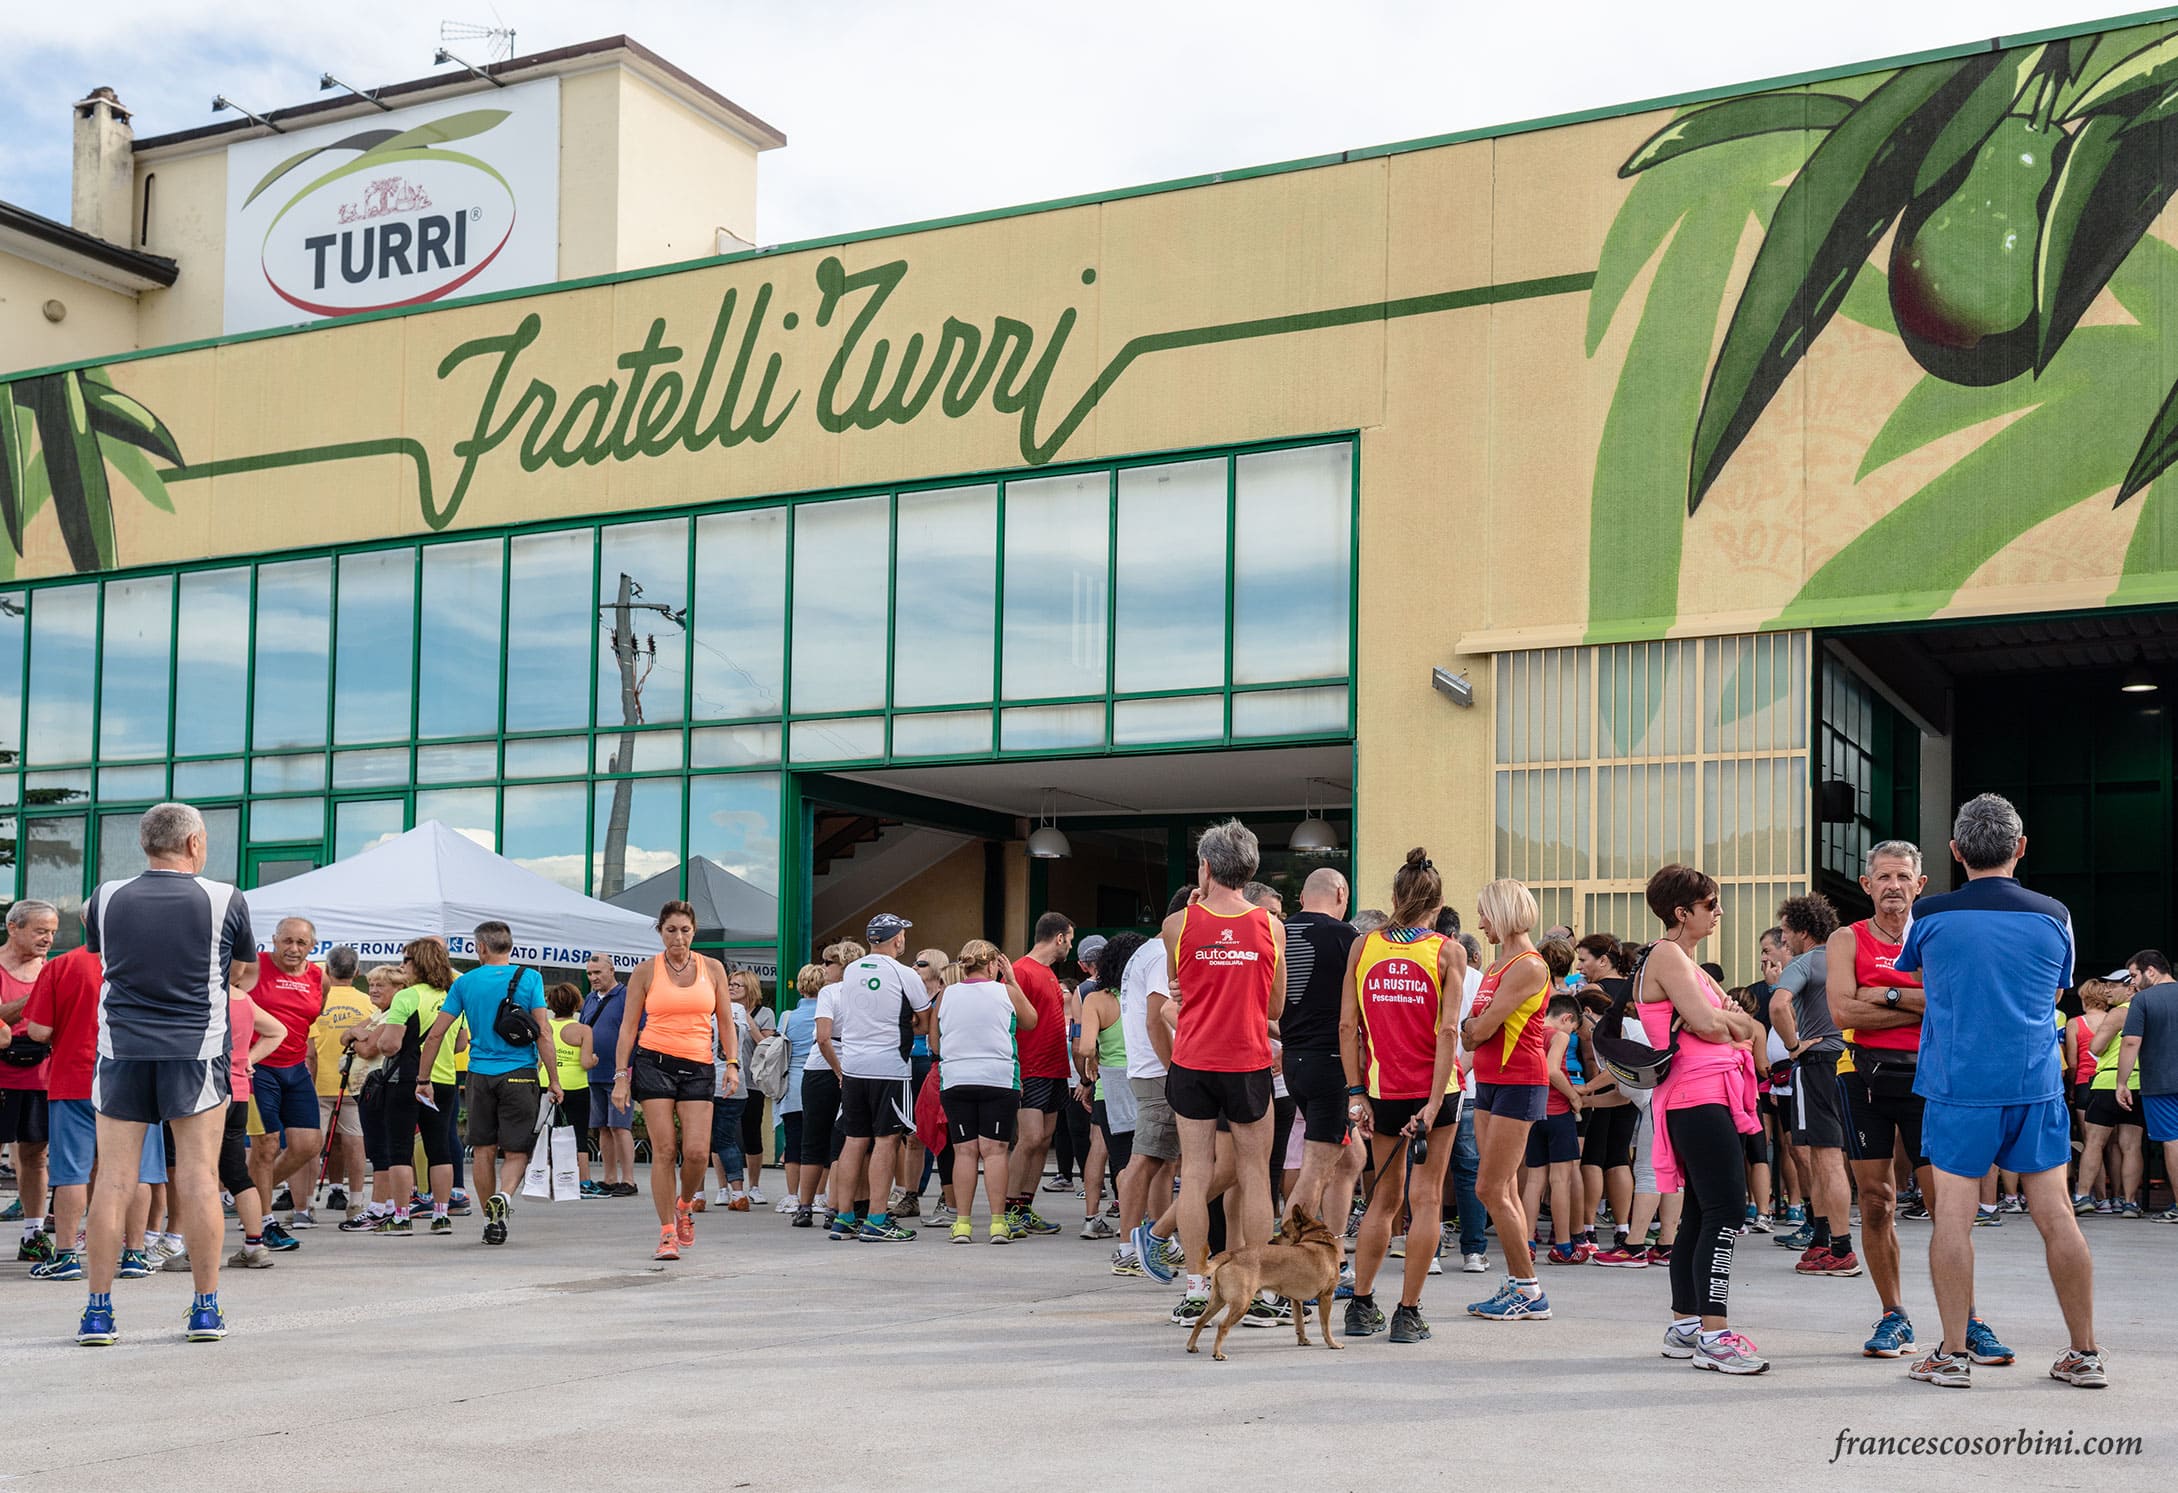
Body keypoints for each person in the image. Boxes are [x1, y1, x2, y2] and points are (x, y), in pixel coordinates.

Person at [1894, 794, 2104, 1391]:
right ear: (2021, 847)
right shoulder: (2053, 913)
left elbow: (1918, 974)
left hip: (1959, 1085)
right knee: (2057, 1215)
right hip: (2034, 1084)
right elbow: (2060, 989)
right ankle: (2084, 1354)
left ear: (1956, 852)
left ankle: (1953, 1355)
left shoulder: (1929, 914)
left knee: (1953, 1221)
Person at [76, 803, 258, 1346]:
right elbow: (242, 972)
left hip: (122, 1050)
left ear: (145, 843)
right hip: (195, 1050)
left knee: (112, 1180)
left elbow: (102, 954)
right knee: (199, 1178)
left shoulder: (103, 897)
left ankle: (98, 1312)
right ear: (196, 843)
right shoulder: (225, 897)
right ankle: (204, 1308)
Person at [1823, 841, 2009, 1363]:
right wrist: (1910, 1001)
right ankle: (1893, 1315)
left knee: (1945, 1205)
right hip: (1861, 1078)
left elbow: (1950, 1002)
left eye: (1903, 876)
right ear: (1867, 885)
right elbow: (1841, 1012)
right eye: (1883, 877)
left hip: (1931, 1080)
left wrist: (1876, 994)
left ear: (1920, 884)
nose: (1893, 886)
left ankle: (1969, 1321)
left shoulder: (1936, 934)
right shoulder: (1846, 938)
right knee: (1877, 1201)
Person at [1635, 865, 1770, 1374]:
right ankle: (1715, 1334)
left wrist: (1732, 1021)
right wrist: (1733, 1021)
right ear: (1682, 912)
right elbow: (1718, 1026)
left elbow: (1736, 1023)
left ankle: (1687, 1323)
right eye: (1711, 905)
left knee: (1701, 1212)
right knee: (1726, 1211)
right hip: (1697, 1097)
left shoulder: (1685, 963)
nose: (1718, 913)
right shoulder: (1669, 955)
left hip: (1700, 1095)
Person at [1160, 820, 1286, 1326]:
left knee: (1194, 1174)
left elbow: (1178, 988)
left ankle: (1195, 1288)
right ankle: (1253, 1289)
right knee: (1256, 1175)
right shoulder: (1270, 925)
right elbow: (1276, 1004)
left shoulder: (1179, 924)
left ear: (1206, 867)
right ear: (1250, 868)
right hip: (1248, 1058)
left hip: (1192, 1059)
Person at [1340, 848, 1464, 1344]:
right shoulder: (1447, 951)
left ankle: (1361, 1304)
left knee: (1382, 1200)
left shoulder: (1364, 946)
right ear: (1437, 905)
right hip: (1436, 1092)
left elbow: (1348, 1025)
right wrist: (1434, 1105)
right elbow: (1449, 1031)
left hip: (1380, 1091)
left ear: (1394, 897)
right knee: (1427, 1199)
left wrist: (1356, 1094)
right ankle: (1407, 1314)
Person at [419, 921, 559, 1249]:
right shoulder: (530, 978)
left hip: (479, 1075)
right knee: (516, 1150)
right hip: (520, 1074)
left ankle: (489, 1218)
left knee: (482, 1149)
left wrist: (423, 1079)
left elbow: (437, 1034)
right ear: (510, 947)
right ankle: (504, 1196)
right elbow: (543, 1032)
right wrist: (553, 1080)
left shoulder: (465, 983)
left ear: (480, 948)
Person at [609, 902, 734, 1260]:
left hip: (699, 1064)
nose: (678, 937)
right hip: (654, 1063)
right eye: (670, 930)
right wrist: (621, 1077)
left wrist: (732, 1062)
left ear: (694, 932)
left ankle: (684, 1206)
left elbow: (724, 1019)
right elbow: (628, 1027)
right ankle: (666, 1233)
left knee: (696, 1152)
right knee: (664, 1150)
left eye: (685, 930)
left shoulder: (713, 969)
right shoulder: (646, 971)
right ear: (661, 932)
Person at [1458, 878, 1553, 1321]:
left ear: (1502, 913)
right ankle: (1521, 1283)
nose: (1480, 922)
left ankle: (1529, 1289)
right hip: (1491, 1082)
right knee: (1505, 1188)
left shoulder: (1530, 966)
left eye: (1484, 913)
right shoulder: (1499, 965)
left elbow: (1480, 1029)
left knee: (1488, 1188)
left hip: (1519, 1081)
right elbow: (1475, 1032)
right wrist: (1472, 1037)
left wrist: (1474, 1029)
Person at [827, 914, 933, 1242]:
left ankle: (844, 1217)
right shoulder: (904, 973)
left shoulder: (851, 970)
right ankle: (876, 1218)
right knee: (886, 1141)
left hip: (854, 1065)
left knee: (854, 1140)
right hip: (889, 1066)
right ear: (897, 940)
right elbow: (925, 1022)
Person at [1768, 894, 1856, 1274]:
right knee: (1831, 1157)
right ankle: (1823, 1238)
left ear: (1803, 931)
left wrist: (1792, 1046)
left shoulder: (1804, 963)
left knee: (1825, 1158)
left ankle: (1840, 1248)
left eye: (1786, 932)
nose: (1783, 940)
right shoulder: (1846, 961)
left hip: (1818, 1062)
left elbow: (1777, 1005)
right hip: (1852, 1063)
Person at [1280, 867, 1363, 1235]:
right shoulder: (1349, 937)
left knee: (1350, 1159)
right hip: (1331, 1062)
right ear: (1342, 894)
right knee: (1315, 1170)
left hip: (1292, 1061)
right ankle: (1283, 1264)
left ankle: (1332, 1249)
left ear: (1301, 898)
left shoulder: (1276, 933)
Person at [937, 940, 1037, 1242]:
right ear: (994, 965)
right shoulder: (1005, 991)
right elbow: (1031, 1021)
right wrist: (1014, 981)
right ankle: (997, 1223)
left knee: (964, 1151)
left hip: (956, 1076)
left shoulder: (947, 994)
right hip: (998, 1076)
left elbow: (935, 1037)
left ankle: (963, 1224)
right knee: (995, 1152)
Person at [361, 939, 460, 1234]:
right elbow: (461, 1042)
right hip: (444, 1079)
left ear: (417, 963)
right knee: (440, 1149)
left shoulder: (407, 997)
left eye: (406, 960)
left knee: (400, 1150)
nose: (403, 965)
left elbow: (390, 1045)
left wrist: (375, 1040)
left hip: (407, 1080)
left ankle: (401, 1217)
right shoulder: (453, 995)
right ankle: (441, 1215)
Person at [1121, 887, 1193, 1281]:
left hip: (1149, 1066)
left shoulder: (1146, 951)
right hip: (1158, 1068)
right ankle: (1128, 1248)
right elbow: (1156, 1017)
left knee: (1162, 1161)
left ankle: (1158, 1241)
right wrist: (1176, 1069)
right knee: (1146, 1158)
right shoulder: (1162, 953)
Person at [244, 917, 325, 1251]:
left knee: (308, 1144)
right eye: (287, 941)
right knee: (266, 1146)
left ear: (313, 947)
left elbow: (308, 1020)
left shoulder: (320, 977)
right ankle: (263, 1224)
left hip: (295, 1067)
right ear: (274, 940)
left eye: (301, 943)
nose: (293, 949)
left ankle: (247, 1195)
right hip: (258, 1066)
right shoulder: (253, 967)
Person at [1003, 912, 1074, 1236]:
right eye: (1069, 939)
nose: (1070, 947)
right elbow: (1009, 1018)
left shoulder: (1046, 973)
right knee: (1029, 1138)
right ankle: (1007, 1207)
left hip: (1055, 1067)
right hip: (1030, 1067)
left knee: (1044, 1140)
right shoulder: (1020, 971)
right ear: (1059, 938)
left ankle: (1024, 1206)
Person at [1076, 933, 1143, 1240]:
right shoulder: (1146, 995)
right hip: (1147, 1079)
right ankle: (1148, 1225)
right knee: (1152, 1160)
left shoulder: (1096, 999)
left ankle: (1123, 1230)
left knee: (1120, 1160)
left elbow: (1086, 1047)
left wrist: (1092, 1067)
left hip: (1111, 1085)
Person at [1, 899, 57, 1266]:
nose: (48, 939)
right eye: (40, 931)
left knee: (35, 1154)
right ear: (13, 928)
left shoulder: (51, 969)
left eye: (52, 932)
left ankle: (32, 1234)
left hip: (40, 1071)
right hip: (2, 1068)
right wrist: (33, 999)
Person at [1522, 993, 1589, 1264]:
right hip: (1558, 1111)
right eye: (1572, 1030)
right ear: (1567, 1018)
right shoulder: (1557, 1036)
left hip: (1532, 1110)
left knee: (1534, 1180)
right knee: (1560, 1180)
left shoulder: (1530, 1032)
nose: (1570, 1035)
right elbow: (1552, 1070)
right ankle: (1563, 1245)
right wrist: (1574, 1097)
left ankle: (1525, 1242)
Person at [306, 945, 370, 1223]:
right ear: (357, 972)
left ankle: (305, 1204)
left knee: (310, 1146)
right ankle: (356, 1202)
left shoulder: (316, 1000)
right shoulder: (368, 1003)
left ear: (327, 970)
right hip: (355, 1083)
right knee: (356, 1143)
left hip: (317, 1083)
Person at [2115, 950, 2178, 1221]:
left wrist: (2121, 1082)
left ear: (2150, 971)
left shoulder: (2143, 1000)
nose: (2132, 982)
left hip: (2161, 1082)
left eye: (2134, 975)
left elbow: (2130, 1042)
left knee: (2173, 1142)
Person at [795, 943, 854, 1228]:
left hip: (820, 1068)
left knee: (812, 1139)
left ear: (842, 964)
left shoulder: (829, 992)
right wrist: (843, 1072)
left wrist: (835, 1069)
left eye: (829, 962)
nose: (824, 968)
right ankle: (834, 1207)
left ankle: (804, 1206)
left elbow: (822, 1037)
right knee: (840, 1142)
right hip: (853, 1066)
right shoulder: (861, 992)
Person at [2079, 977, 2144, 1214]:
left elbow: (2096, 1047)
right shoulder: (2147, 1011)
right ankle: (2129, 1202)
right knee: (2131, 1146)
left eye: (2112, 985)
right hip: (2139, 1082)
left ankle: (2084, 1196)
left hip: (2110, 1080)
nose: (2107, 990)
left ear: (2129, 989)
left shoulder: (2119, 1013)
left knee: (2094, 1142)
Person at [580, 956, 635, 1198]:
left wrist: (629, 1069)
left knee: (619, 1126)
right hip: (594, 1073)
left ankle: (629, 1179)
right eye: (590, 973)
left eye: (598, 972)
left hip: (619, 1073)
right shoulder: (590, 999)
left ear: (611, 970)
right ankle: (610, 1177)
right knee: (602, 1126)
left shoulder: (626, 997)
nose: (593, 978)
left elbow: (636, 1031)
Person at [777, 963, 824, 1217]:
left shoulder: (787, 1017)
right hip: (821, 1081)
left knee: (794, 1141)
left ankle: (792, 1196)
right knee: (823, 1141)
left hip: (793, 1084)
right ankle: (819, 1195)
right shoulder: (829, 1013)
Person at [543, 983, 595, 1196]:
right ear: (576, 1004)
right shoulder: (583, 1030)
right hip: (576, 1086)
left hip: (547, 1083)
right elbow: (585, 1062)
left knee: (547, 1133)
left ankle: (546, 1179)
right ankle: (583, 1182)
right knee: (578, 1134)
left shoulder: (544, 1026)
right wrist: (594, 1060)